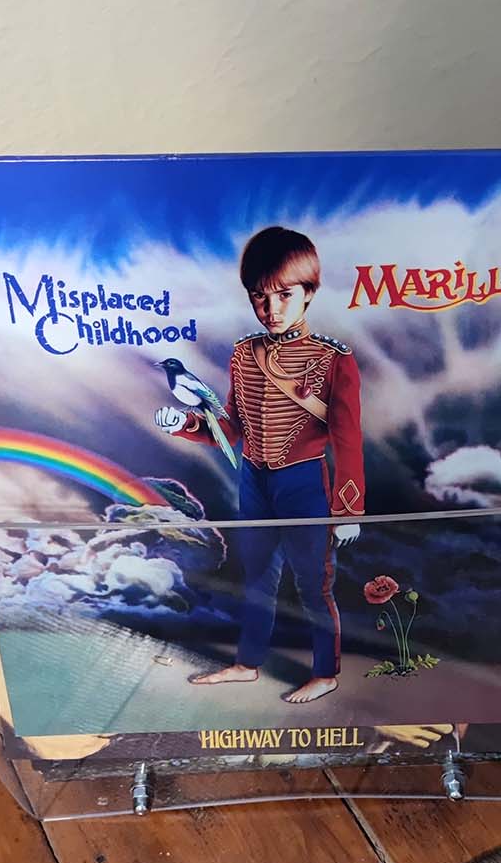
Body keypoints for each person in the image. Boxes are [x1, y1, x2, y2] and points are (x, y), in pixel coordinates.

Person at [154, 226, 364, 704]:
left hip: (304, 481)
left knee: (313, 584)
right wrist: (185, 423)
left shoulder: (334, 359)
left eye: (284, 295)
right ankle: (248, 664)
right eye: (260, 297)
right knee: (257, 580)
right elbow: (231, 429)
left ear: (309, 293)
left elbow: (348, 439)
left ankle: (325, 673)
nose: (271, 309)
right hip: (254, 480)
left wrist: (349, 509)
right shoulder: (244, 354)